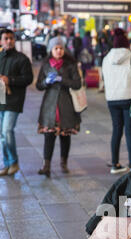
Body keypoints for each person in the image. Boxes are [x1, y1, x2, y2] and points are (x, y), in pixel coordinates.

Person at [102, 28, 131, 174]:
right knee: (129, 132)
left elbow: (104, 79)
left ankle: (115, 164)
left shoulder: (106, 58)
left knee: (116, 131)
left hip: (112, 100)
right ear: (127, 44)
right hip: (129, 99)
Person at [36, 36, 82, 177]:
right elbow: (38, 85)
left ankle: (64, 163)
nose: (59, 51)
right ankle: (46, 166)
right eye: (56, 48)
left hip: (66, 105)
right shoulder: (45, 65)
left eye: (61, 48)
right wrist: (46, 82)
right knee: (48, 136)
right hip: (49, 106)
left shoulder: (70, 64)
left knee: (65, 136)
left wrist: (63, 80)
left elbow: (77, 84)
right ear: (51, 49)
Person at [0, 28, 33, 176]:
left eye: (11, 38)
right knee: (2, 135)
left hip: (14, 100)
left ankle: (13, 162)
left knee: (7, 130)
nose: (9, 41)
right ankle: (7, 164)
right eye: (6, 38)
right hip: (1, 99)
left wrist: (10, 80)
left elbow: (28, 79)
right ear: (1, 41)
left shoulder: (22, 59)